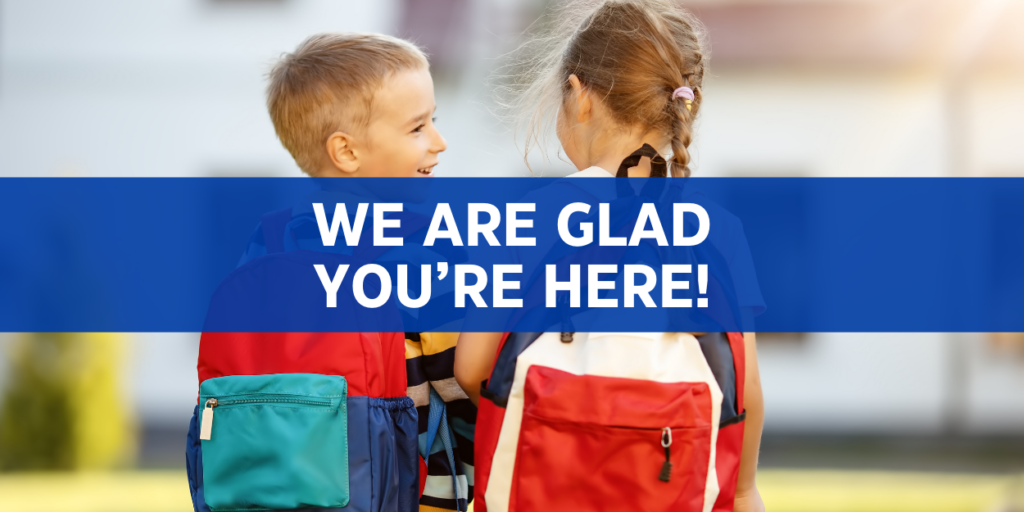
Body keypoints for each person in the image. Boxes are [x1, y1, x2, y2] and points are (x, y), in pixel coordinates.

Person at [454, 1, 765, 511]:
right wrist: (746, 489)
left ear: (579, 97)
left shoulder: (534, 217)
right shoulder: (718, 231)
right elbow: (744, 388)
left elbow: (472, 368)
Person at [186, 33, 473, 512]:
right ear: (346, 151)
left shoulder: (269, 240)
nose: (439, 143)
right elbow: (461, 387)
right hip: (414, 495)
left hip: (279, 490)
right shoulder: (428, 245)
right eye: (418, 128)